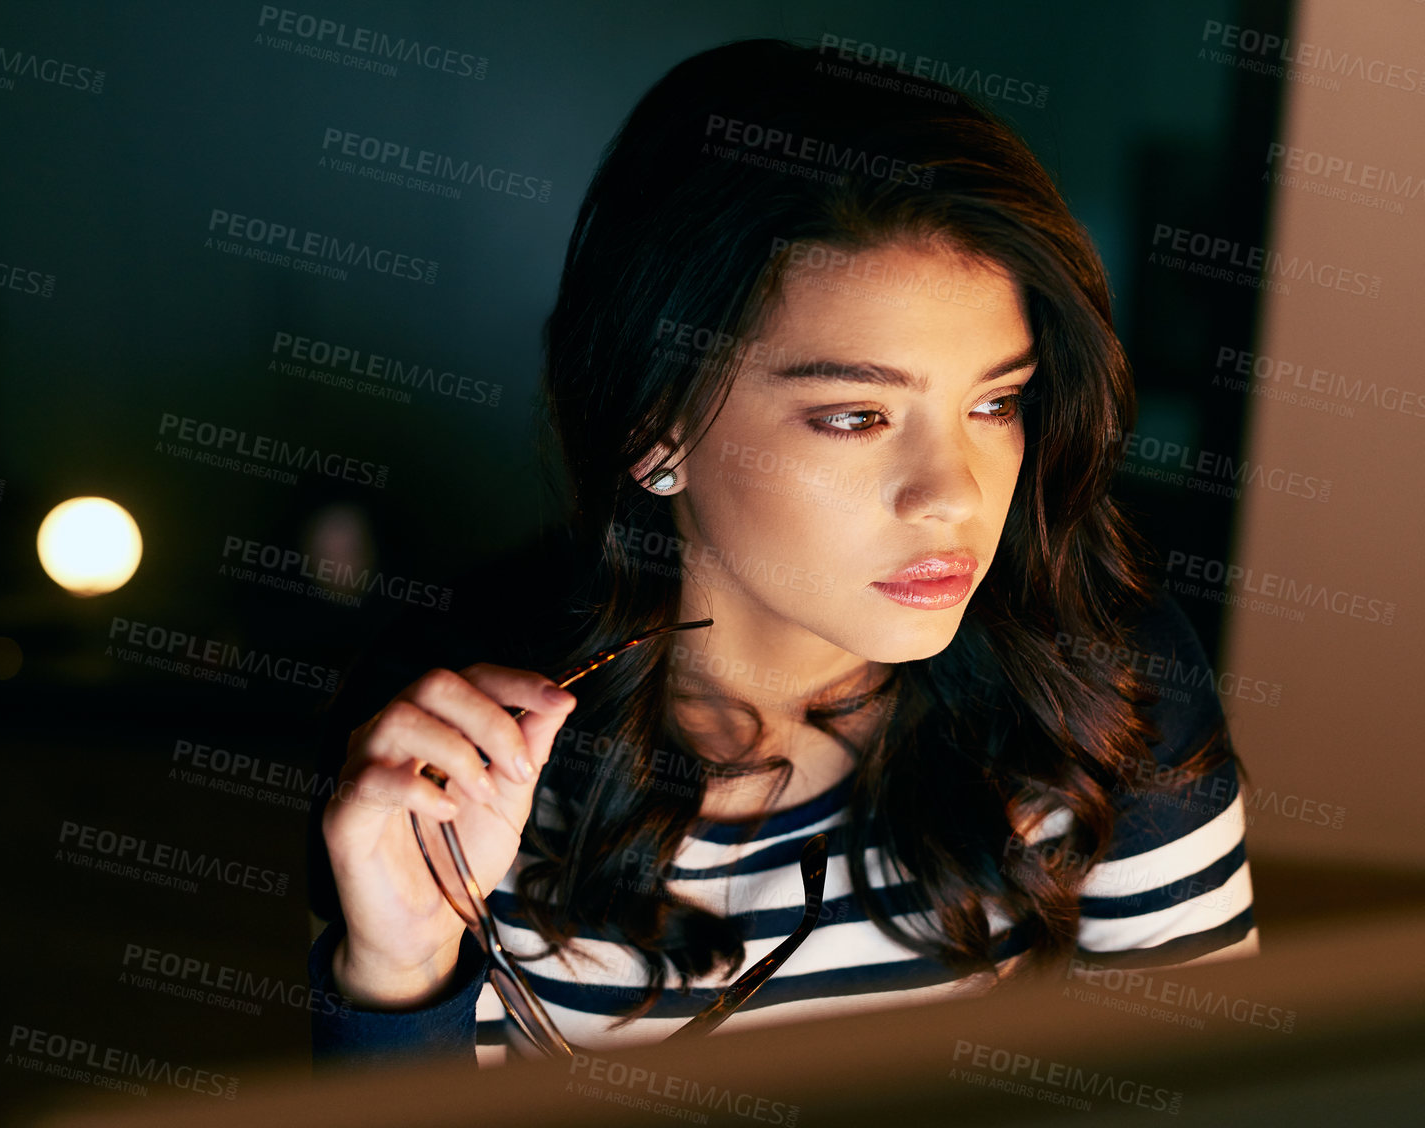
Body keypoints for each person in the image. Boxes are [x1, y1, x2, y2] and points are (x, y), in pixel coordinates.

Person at [304, 37, 1257, 1069]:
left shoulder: (1102, 684)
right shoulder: (455, 740)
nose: (954, 495)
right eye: (854, 416)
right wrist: (398, 972)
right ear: (654, 426)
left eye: (996, 402)